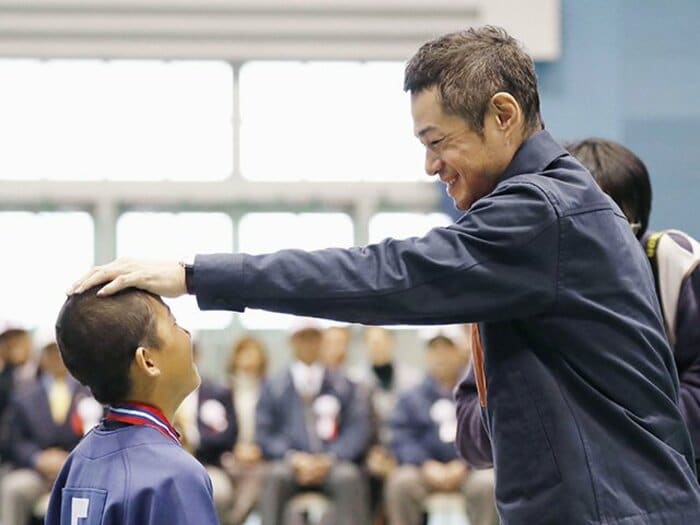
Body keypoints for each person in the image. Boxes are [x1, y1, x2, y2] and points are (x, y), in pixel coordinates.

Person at [70, 26, 700, 524]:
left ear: (503, 115)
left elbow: (383, 276)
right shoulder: (543, 216)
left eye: (437, 140)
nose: (430, 165)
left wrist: (195, 274)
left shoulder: (542, 214)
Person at [567, 137, 700, 476]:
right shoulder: (531, 281)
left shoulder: (676, 264)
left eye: (617, 227)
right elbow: (471, 420)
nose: (599, 244)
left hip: (676, 468)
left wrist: (625, 436)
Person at [45, 286, 218, 524]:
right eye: (174, 323)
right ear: (147, 361)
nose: (187, 333)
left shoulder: (77, 461)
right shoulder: (176, 475)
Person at [255, 323, 371, 525]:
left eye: (314, 338)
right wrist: (293, 457)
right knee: (274, 477)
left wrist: (331, 457)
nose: (309, 344)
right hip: (290, 464)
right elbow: (265, 433)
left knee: (349, 478)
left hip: (332, 464)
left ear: (322, 341)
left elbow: (357, 429)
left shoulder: (345, 385)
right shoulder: (274, 386)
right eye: (303, 338)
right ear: (292, 342)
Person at [386, 335, 497, 525]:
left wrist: (464, 464)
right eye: (435, 351)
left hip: (469, 469)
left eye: (446, 350)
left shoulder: (474, 393)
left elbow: (487, 432)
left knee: (488, 484)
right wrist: (425, 464)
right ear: (426, 355)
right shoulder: (410, 397)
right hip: (423, 469)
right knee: (401, 483)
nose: (441, 357)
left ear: (457, 353)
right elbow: (401, 437)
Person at [1, 341, 97, 525]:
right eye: (51, 354)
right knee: (12, 489)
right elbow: (14, 440)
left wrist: (70, 460)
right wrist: (38, 458)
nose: (57, 359)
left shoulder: (91, 394)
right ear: (42, 358)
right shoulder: (24, 396)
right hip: (36, 473)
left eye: (61, 354)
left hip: (78, 470)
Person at [221, 336, 269, 525]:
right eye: (244, 353)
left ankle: (235, 520)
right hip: (230, 455)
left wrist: (258, 450)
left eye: (253, 353)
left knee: (259, 478)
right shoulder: (223, 391)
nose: (249, 358)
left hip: (259, 457)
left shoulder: (269, 390)